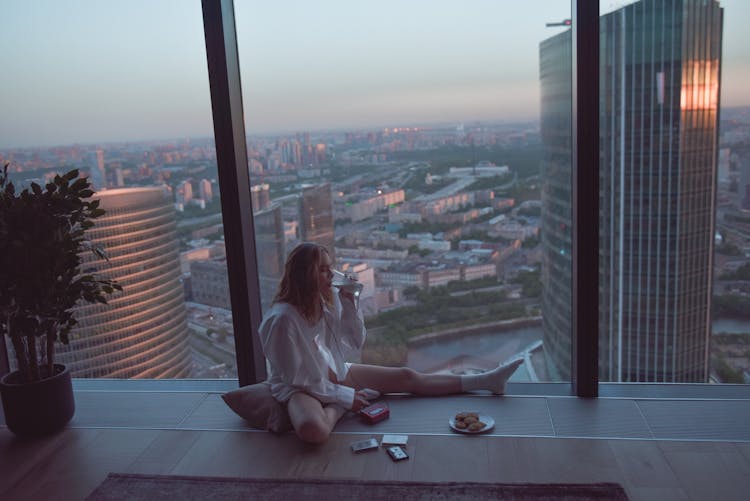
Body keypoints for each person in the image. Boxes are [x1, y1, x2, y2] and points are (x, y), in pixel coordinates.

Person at [258, 242, 524, 444]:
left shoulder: (321, 303)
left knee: (407, 376)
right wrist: (345, 398)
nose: (331, 275)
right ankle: (337, 409)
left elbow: (354, 342)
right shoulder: (282, 320)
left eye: (331, 268)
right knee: (313, 431)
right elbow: (298, 377)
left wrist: (350, 305)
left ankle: (487, 380)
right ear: (305, 274)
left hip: (332, 372)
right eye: (323, 270)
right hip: (300, 387)